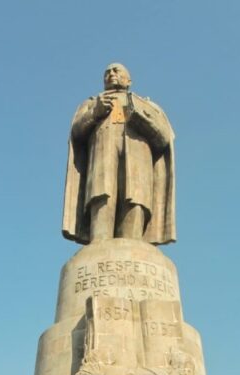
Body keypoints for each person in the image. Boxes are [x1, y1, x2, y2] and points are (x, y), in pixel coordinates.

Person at [62, 63, 175, 245]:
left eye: (116, 70)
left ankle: (133, 247)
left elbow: (164, 138)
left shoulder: (146, 104)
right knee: (101, 196)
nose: (111, 74)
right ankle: (98, 246)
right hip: (102, 159)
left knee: (135, 201)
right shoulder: (93, 102)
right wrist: (94, 113)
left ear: (129, 80)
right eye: (107, 72)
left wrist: (142, 119)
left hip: (138, 163)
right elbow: (76, 132)